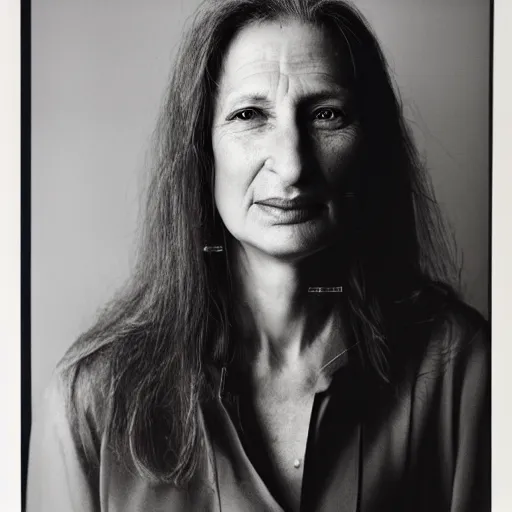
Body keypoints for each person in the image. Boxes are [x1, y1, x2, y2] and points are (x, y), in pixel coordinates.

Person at [26, 0, 490, 510]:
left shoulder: (463, 370)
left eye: (326, 114)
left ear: (369, 146)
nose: (292, 166)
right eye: (249, 114)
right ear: (202, 151)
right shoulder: (90, 405)